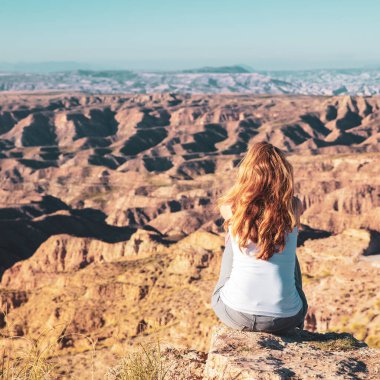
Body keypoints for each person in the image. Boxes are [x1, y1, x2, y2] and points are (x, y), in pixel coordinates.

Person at [211, 142, 308, 334]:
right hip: (286, 319)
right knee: (285, 247)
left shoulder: (231, 207)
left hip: (236, 314)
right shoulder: (294, 207)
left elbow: (234, 207)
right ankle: (298, 327)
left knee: (233, 237)